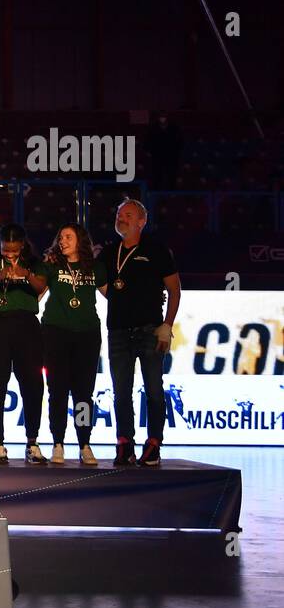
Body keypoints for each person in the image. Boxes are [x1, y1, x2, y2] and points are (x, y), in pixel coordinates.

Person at [101, 199, 180, 466]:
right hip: (119, 330)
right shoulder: (110, 251)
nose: (121, 218)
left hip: (149, 329)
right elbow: (103, 285)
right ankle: (125, 442)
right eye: (119, 214)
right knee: (120, 391)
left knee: (154, 389)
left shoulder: (156, 250)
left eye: (128, 214)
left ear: (141, 221)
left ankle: (154, 443)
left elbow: (174, 289)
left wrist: (167, 325)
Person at [0, 224, 49, 464]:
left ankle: (32, 442)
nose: (9, 254)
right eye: (5, 249)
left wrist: (25, 274)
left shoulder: (34, 263)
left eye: (13, 249)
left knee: (32, 383)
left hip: (26, 325)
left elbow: (42, 286)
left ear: (22, 245)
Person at [42, 223, 108, 466]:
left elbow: (113, 295)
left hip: (87, 335)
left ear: (81, 240)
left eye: (68, 237)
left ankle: (84, 443)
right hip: (55, 332)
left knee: (83, 394)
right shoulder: (52, 264)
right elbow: (36, 295)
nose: (63, 241)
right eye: (60, 237)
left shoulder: (95, 268)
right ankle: (57, 442)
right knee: (57, 391)